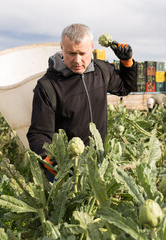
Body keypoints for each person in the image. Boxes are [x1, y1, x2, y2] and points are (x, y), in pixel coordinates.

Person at [27, 23, 137, 181]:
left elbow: (125, 87)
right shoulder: (48, 86)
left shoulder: (101, 71)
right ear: (61, 48)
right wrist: (49, 161)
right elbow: (39, 133)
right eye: (71, 53)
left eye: (82, 53)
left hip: (99, 160)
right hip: (66, 168)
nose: (77, 60)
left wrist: (127, 62)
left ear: (92, 47)